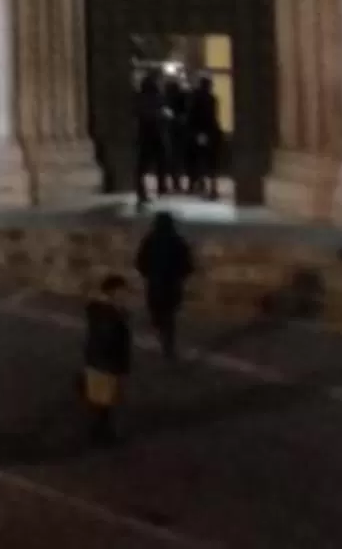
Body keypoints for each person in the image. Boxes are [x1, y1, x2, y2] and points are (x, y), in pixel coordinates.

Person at [135, 212, 195, 362]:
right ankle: (168, 344)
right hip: (172, 285)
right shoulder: (177, 241)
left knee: (158, 312)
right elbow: (187, 264)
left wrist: (148, 274)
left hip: (155, 284)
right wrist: (181, 276)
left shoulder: (149, 241)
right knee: (169, 316)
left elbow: (140, 261)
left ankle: (162, 334)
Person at [81, 276, 134, 445]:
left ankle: (101, 432)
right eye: (122, 291)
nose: (125, 295)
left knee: (103, 402)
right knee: (103, 402)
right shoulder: (107, 314)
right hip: (105, 363)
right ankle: (100, 434)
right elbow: (109, 339)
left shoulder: (101, 311)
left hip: (99, 361)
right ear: (113, 292)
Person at [133, 69, 170, 208]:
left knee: (142, 166)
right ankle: (161, 187)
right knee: (161, 162)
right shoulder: (158, 97)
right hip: (156, 135)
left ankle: (142, 192)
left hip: (144, 136)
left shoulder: (139, 97)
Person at [186, 74, 226, 200]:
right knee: (212, 161)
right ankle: (212, 187)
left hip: (200, 132)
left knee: (200, 159)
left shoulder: (195, 99)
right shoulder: (212, 99)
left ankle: (201, 184)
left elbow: (192, 117)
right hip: (211, 131)